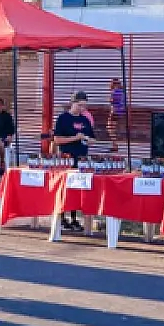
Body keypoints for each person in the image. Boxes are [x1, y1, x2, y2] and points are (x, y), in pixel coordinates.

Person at [53, 91, 97, 232]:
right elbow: (57, 140)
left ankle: (74, 218)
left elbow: (93, 138)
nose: (82, 108)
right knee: (65, 188)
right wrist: (75, 138)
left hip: (81, 159)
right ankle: (61, 217)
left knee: (77, 189)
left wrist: (89, 140)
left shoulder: (85, 120)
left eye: (84, 106)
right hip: (66, 158)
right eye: (79, 105)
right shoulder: (63, 118)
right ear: (72, 103)